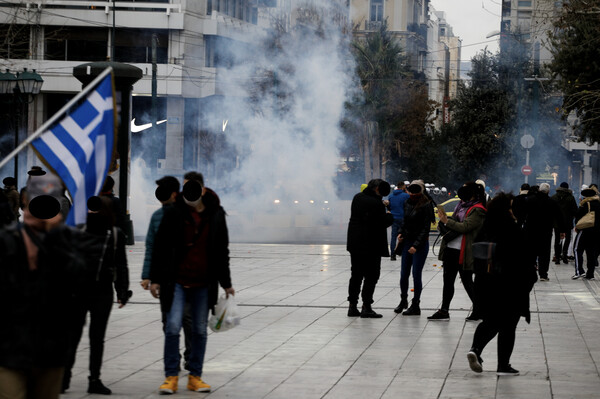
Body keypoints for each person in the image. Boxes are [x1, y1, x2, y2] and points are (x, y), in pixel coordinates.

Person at [0, 171, 87, 399]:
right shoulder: (8, 240)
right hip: (11, 349)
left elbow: (77, 281)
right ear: (25, 203)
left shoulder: (65, 243)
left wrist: (54, 238)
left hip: (51, 351)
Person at [150, 171, 234, 394]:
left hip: (203, 283)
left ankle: (195, 376)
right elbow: (160, 246)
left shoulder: (215, 214)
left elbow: (221, 251)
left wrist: (226, 283)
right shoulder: (174, 213)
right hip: (176, 281)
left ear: (203, 190)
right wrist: (155, 279)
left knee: (199, 330)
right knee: (172, 326)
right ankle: (171, 376)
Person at [62, 195, 130, 395]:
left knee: (95, 337)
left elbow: (121, 266)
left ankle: (92, 379)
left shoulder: (115, 235)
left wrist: (122, 291)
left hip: (100, 292)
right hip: (80, 291)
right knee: (75, 336)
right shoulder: (78, 231)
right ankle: (67, 377)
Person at [467, 192, 537, 376]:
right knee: (508, 325)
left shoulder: (486, 227)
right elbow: (524, 258)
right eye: (511, 206)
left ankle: (475, 349)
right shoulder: (513, 229)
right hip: (509, 285)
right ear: (506, 210)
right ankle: (503, 365)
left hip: (485, 283)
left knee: (490, 320)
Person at [141, 176, 193, 371]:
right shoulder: (157, 216)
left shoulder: (185, 214)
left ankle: (190, 355)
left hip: (185, 276)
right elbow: (151, 247)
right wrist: (148, 276)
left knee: (187, 319)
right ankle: (174, 358)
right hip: (164, 278)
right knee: (167, 321)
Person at [428, 181, 487, 321]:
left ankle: (479, 310)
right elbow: (455, 222)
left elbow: (465, 227)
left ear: (473, 193)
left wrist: (447, 222)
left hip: (463, 251)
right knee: (448, 282)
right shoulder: (460, 205)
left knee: (467, 282)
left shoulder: (478, 210)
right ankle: (444, 310)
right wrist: (444, 221)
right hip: (451, 249)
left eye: (466, 190)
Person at [346, 178, 394, 319]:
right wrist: (389, 214)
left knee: (356, 275)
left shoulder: (358, 197)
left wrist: (380, 204)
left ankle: (352, 306)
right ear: (377, 189)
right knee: (371, 276)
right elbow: (382, 222)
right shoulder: (375, 203)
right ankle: (367, 306)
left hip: (355, 245)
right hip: (371, 246)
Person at [394, 179, 435, 316]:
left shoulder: (426, 205)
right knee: (403, 274)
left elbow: (425, 229)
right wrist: (400, 233)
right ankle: (403, 300)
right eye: (411, 189)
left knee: (416, 275)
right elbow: (404, 221)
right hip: (407, 241)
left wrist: (416, 246)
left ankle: (416, 304)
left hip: (420, 245)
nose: (412, 193)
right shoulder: (407, 202)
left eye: (416, 189)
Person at [522, 182, 567, 281]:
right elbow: (560, 216)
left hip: (531, 231)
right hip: (545, 232)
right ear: (548, 191)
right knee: (544, 253)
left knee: (531, 252)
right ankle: (543, 274)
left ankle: (530, 271)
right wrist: (562, 230)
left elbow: (522, 214)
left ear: (539, 190)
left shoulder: (529, 200)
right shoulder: (551, 202)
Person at [572, 186, 600, 280]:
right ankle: (590, 274)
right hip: (596, 231)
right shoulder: (598, 203)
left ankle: (579, 271)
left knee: (577, 249)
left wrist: (577, 225)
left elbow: (577, 214)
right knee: (591, 252)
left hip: (585, 230)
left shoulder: (585, 204)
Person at [551, 182, 578, 265]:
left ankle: (557, 257)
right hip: (568, 222)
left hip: (557, 223)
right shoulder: (571, 197)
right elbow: (575, 210)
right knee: (567, 238)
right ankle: (565, 256)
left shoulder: (554, 197)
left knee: (557, 239)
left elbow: (551, 210)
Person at [387, 181, 410, 260]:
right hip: (403, 218)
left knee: (393, 237)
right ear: (403, 186)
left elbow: (389, 207)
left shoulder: (390, 196)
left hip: (394, 218)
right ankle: (402, 252)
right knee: (404, 236)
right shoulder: (406, 196)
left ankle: (393, 254)